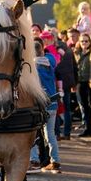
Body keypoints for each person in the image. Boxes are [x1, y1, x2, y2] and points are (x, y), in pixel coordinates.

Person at [30, 40, 61, 173]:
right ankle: (55, 160)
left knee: (31, 133)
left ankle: (34, 160)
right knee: (50, 135)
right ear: (43, 50)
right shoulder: (51, 60)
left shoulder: (31, 65)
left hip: (38, 103)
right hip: (52, 103)